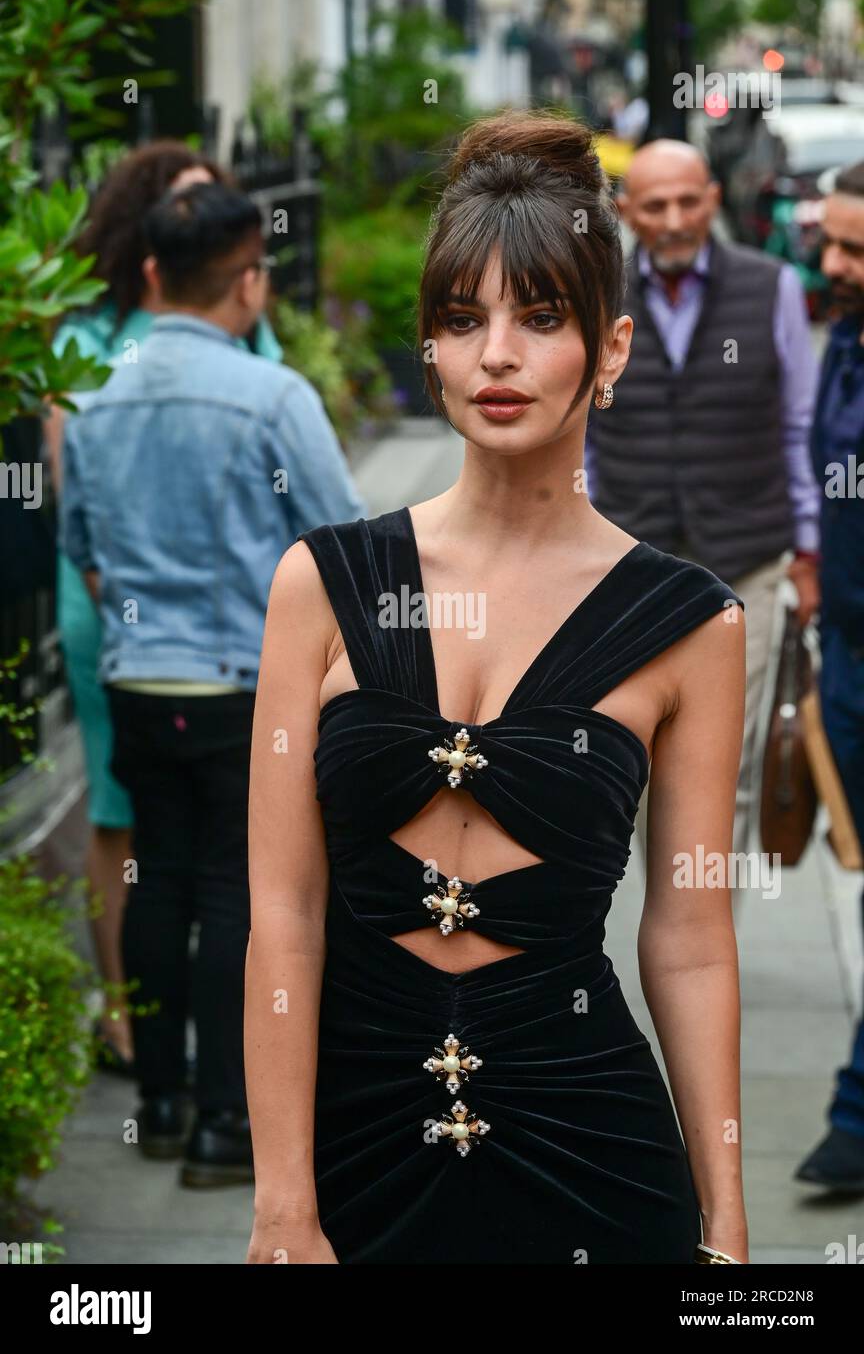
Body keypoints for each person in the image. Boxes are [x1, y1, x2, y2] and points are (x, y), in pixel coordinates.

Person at [245, 111, 749, 1265]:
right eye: (461, 321)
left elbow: (691, 936)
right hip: (351, 1144)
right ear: (429, 344)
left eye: (542, 317)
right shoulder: (322, 582)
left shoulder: (690, 622)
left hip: (593, 1143)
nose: (497, 357)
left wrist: (724, 1227)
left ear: (611, 349)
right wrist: (282, 1202)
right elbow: (283, 911)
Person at [59, 181, 365, 1187]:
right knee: (241, 891)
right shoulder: (273, 396)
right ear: (249, 281)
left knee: (159, 878)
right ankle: (228, 1125)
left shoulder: (96, 401)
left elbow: (84, 551)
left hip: (140, 678)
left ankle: (157, 1098)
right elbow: (342, 544)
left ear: (150, 274)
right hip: (245, 683)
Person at [44, 141, 283, 1075]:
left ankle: (193, 1061)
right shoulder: (94, 332)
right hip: (117, 599)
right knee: (122, 813)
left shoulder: (243, 311)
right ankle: (130, 1021)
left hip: (219, 608)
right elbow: (75, 498)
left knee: (205, 838)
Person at [584, 140, 822, 915]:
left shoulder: (772, 287)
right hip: (633, 568)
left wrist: (808, 551)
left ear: (714, 200)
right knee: (643, 762)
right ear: (626, 213)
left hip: (744, 563)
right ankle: (676, 917)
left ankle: (706, 932)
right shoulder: (600, 290)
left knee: (731, 765)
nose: (675, 219)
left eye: (689, 201)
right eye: (655, 205)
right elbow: (579, 431)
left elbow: (798, 426)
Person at [796, 160, 864, 1191]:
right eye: (832, 242)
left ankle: (857, 1113)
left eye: (856, 248)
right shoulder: (846, 339)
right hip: (848, 651)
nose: (833, 263)